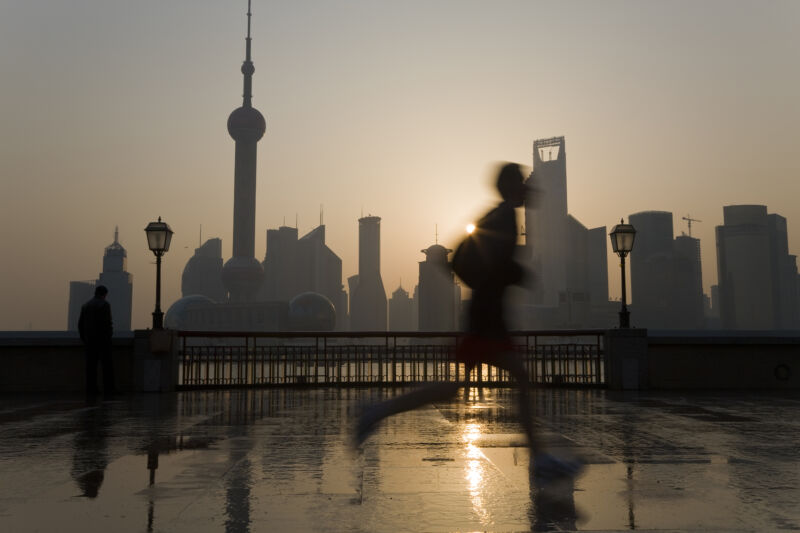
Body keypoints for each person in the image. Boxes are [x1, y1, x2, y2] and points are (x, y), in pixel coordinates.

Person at [353, 162, 582, 485]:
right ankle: (540, 460)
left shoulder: (496, 217)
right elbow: (497, 267)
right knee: (516, 378)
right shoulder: (503, 219)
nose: (530, 190)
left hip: (484, 317)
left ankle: (377, 411)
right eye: (523, 184)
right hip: (488, 320)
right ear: (513, 188)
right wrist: (520, 273)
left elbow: (483, 262)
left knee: (461, 386)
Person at [78, 285, 116, 395]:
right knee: (107, 366)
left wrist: (84, 338)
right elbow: (107, 324)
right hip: (103, 341)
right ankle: (109, 389)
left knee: (91, 367)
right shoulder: (104, 305)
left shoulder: (85, 306)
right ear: (104, 294)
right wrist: (108, 336)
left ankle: (91, 389)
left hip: (90, 341)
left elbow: (80, 324)